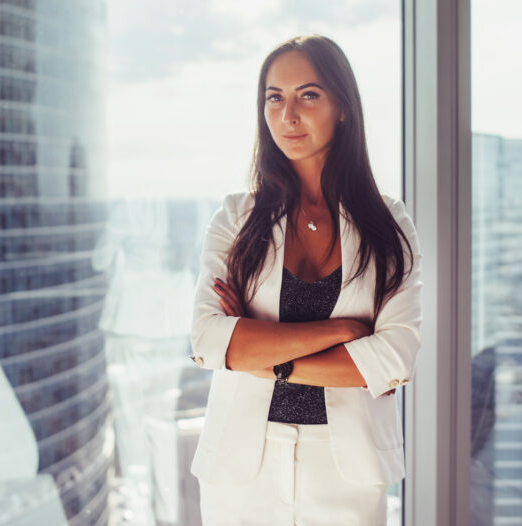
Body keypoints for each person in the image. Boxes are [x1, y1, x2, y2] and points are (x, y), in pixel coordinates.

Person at [188, 34, 423, 526]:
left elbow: (393, 357)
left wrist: (262, 355)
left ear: (343, 107)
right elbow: (210, 341)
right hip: (241, 470)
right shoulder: (237, 218)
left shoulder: (388, 224)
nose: (288, 115)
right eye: (275, 97)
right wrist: (339, 333)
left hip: (347, 469)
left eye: (308, 95)